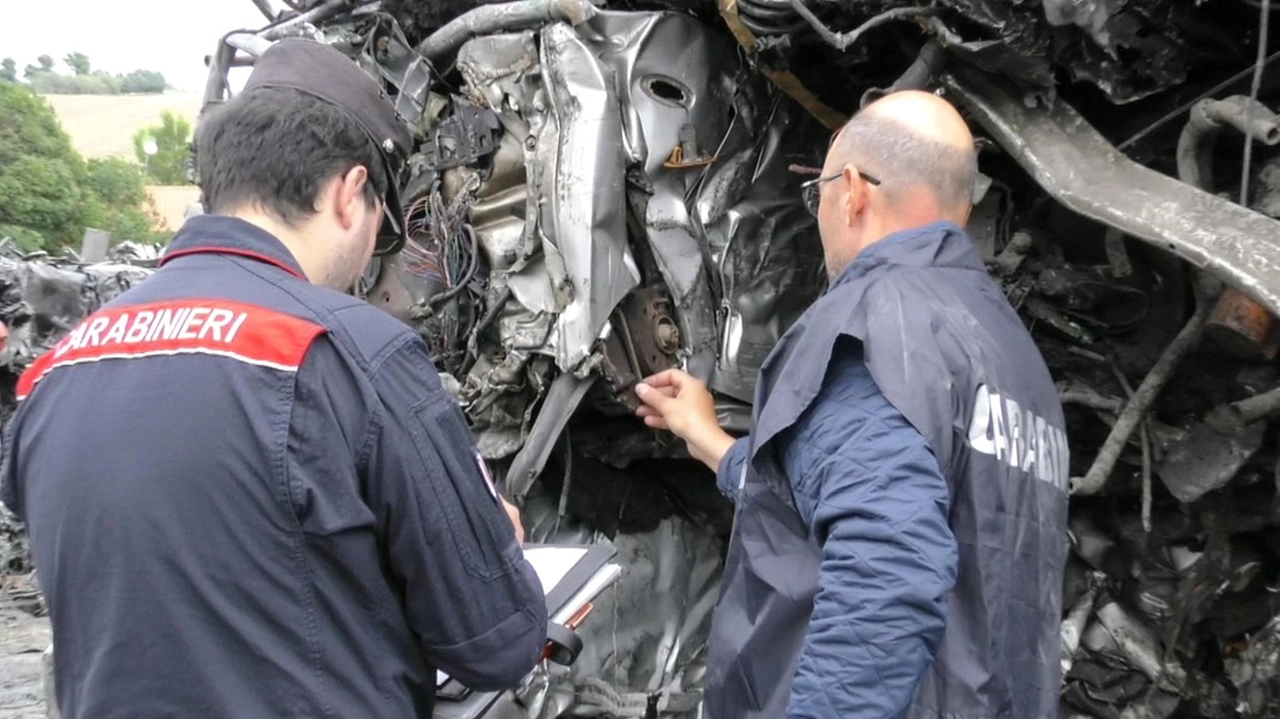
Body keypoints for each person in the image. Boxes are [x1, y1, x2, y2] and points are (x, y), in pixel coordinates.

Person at [0, 38, 548, 718]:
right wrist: (489, 539)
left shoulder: (59, 368)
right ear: (351, 193)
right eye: (380, 231)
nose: (365, 268)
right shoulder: (357, 351)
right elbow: (496, 645)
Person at [634, 90, 1070, 719]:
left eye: (820, 194)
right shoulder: (1013, 357)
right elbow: (839, 490)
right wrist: (706, 436)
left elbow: (887, 567)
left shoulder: (872, 324)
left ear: (854, 190)